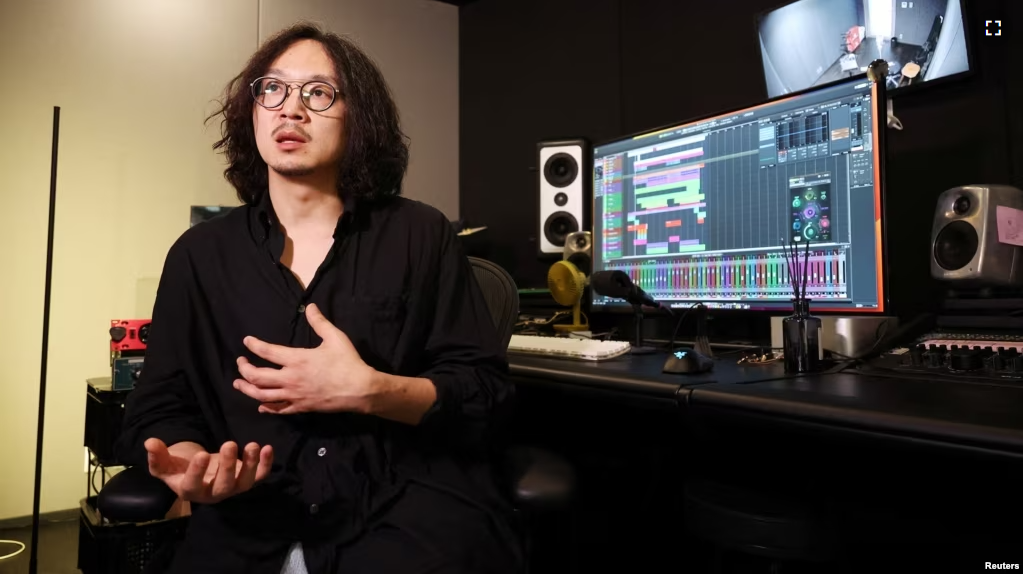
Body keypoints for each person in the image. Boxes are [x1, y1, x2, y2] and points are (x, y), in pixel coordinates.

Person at [116, 22, 521, 574]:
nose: (291, 109)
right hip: (248, 523)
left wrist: (373, 391)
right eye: (273, 90)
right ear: (252, 111)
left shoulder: (420, 234)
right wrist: (190, 464)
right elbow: (160, 403)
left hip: (401, 516)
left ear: (359, 116)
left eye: (319, 93)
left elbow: (485, 392)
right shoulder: (199, 255)